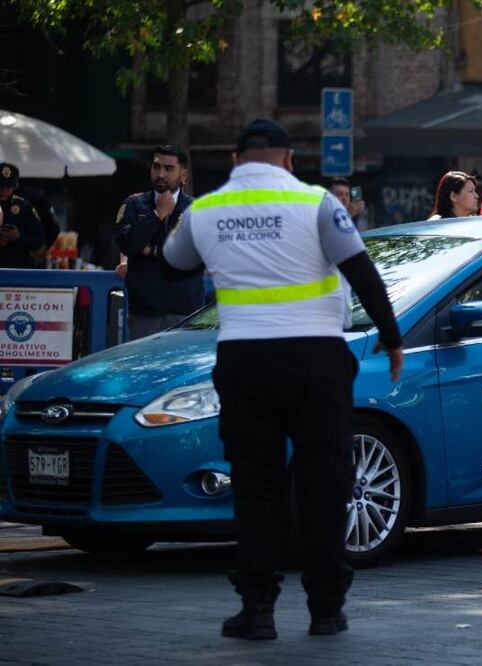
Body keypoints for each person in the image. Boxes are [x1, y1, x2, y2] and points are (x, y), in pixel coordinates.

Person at [163, 119, 403, 640]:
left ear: (234, 161)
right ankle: (325, 609)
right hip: (316, 358)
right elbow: (363, 270)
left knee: (256, 486)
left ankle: (257, 609)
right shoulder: (317, 203)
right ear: (289, 160)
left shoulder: (205, 210)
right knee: (325, 482)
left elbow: (174, 263)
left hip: (244, 361)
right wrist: (392, 336)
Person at [113, 146, 204, 339]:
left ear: (183, 175)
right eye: (156, 167)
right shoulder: (134, 204)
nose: (160, 174)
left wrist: (148, 249)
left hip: (185, 312)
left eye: (169, 169)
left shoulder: (195, 208)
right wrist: (156, 215)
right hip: (145, 312)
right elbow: (126, 245)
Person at [0, 163, 59, 265]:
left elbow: (39, 238)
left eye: (8, 187)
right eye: (1, 187)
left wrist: (19, 237)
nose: (4, 191)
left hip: (18, 267)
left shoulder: (24, 206)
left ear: (15, 186)